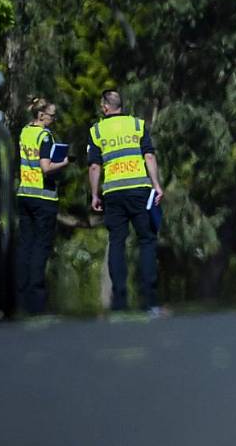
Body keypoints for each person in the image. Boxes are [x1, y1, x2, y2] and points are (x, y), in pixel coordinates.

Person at [89, 90, 164, 313]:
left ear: (105, 107)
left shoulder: (97, 130)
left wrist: (95, 194)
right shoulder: (137, 125)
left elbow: (94, 165)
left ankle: (120, 298)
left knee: (117, 242)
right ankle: (149, 299)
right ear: (120, 105)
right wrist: (156, 185)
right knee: (147, 241)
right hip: (139, 191)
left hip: (113, 193)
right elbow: (149, 156)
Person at [15, 97, 69, 314]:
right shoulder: (45, 136)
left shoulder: (24, 132)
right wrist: (66, 161)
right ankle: (36, 298)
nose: (54, 120)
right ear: (41, 115)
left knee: (25, 245)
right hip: (43, 198)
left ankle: (21, 294)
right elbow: (46, 168)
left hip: (25, 194)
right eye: (52, 115)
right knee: (40, 246)